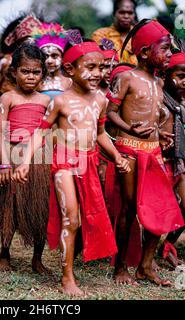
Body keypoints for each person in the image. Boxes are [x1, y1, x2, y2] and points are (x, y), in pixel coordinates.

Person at [14, 35, 130, 296]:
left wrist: (116, 156)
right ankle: (67, 278)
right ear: (70, 69)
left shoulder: (100, 99)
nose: (97, 73)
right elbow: (40, 133)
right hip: (65, 161)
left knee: (88, 217)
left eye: (100, 67)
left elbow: (100, 133)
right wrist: (24, 162)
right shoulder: (61, 101)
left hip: (89, 161)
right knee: (72, 218)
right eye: (90, 68)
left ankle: (70, 264)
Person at [106, 20, 185, 285]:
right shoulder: (126, 78)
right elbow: (110, 113)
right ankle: (120, 268)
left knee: (162, 207)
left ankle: (146, 265)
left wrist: (159, 134)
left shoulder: (159, 83)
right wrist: (129, 128)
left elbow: (152, 116)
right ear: (143, 53)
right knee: (129, 210)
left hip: (152, 152)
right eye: (164, 49)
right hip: (129, 150)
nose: (169, 55)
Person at [0, 43, 52, 274]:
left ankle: (37, 258)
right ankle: (4, 252)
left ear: (43, 74)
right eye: (25, 71)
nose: (30, 77)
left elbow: (47, 132)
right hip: (11, 155)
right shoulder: (7, 98)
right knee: (9, 206)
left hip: (39, 159)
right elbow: (0, 131)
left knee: (40, 207)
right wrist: (6, 163)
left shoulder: (46, 101)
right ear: (14, 72)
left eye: (36, 72)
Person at [158, 52, 185, 268]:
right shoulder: (157, 100)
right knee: (156, 211)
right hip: (159, 160)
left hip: (180, 161)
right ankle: (146, 254)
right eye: (180, 76)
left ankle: (168, 245)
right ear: (165, 74)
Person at [0, 14, 42, 132]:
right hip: (6, 112)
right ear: (19, 43)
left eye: (33, 43)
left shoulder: (41, 63)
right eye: (26, 43)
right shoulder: (6, 61)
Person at [32, 22, 72, 98]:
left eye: (54, 56)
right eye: (45, 56)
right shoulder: (35, 81)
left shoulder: (70, 82)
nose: (49, 61)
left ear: (62, 58)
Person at [92, 0, 138, 64]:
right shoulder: (101, 35)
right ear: (114, 13)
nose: (126, 16)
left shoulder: (140, 35)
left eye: (130, 13)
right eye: (122, 12)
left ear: (134, 15)